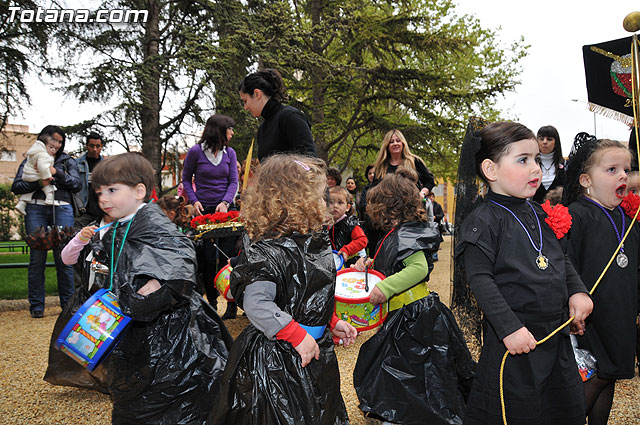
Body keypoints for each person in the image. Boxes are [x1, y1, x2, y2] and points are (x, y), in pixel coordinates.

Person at [455, 122, 592, 425]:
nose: (535, 168)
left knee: (561, 408)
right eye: (523, 160)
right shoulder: (484, 221)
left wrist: (577, 291)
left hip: (554, 339)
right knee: (517, 411)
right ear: (491, 169)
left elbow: (560, 258)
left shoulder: (540, 212)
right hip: (516, 342)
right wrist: (508, 328)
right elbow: (480, 279)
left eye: (535, 159)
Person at [209, 154, 357, 425]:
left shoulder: (311, 243)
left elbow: (309, 295)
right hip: (279, 360)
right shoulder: (268, 250)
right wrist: (297, 335)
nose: (323, 202)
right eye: (317, 194)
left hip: (312, 351)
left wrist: (331, 322)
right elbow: (257, 303)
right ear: (294, 198)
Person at [89, 152, 232, 424]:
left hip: (170, 334)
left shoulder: (151, 221)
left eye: (112, 190)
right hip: (136, 329)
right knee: (137, 396)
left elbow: (180, 254)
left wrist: (155, 283)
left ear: (139, 191)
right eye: (99, 193)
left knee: (168, 395)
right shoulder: (120, 225)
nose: (103, 199)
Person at [352, 171, 474, 425]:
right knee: (398, 367)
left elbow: (417, 268)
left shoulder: (406, 234)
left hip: (415, 317)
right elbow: (395, 261)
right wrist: (370, 263)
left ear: (391, 207)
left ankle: (412, 413)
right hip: (403, 315)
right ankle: (399, 410)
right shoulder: (399, 233)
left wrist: (386, 288)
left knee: (415, 369)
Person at [562, 135, 640, 425]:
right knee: (595, 375)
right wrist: (571, 300)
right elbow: (566, 263)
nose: (622, 175)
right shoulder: (577, 216)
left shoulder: (629, 219)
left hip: (621, 314)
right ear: (585, 180)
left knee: (610, 378)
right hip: (591, 317)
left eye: (626, 169)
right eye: (611, 169)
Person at [11, 125, 81, 318]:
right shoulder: (31, 158)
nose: (56, 145)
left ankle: (67, 306)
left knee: (64, 258)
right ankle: (36, 307)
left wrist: (56, 172)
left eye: (60, 141)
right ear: (44, 140)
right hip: (36, 208)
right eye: (53, 140)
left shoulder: (67, 161)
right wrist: (39, 183)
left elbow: (77, 184)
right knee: (37, 259)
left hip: (62, 208)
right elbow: (16, 186)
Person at [181, 114, 239, 310]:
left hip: (225, 211)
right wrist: (194, 200)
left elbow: (233, 182)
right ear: (220, 130)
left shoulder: (230, 153)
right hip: (203, 212)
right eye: (230, 128)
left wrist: (225, 202)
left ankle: (232, 302)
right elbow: (186, 179)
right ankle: (212, 303)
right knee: (207, 258)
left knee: (228, 257)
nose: (232, 132)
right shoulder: (195, 152)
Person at [360, 129, 435, 252]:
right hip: (387, 215)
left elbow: (430, 181)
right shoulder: (381, 166)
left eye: (398, 141)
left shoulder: (414, 161)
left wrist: (422, 193)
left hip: (410, 212)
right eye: (391, 142)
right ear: (387, 145)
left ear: (403, 143)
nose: (395, 144)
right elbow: (374, 189)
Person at [238, 68, 317, 160]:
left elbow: (310, 159)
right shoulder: (262, 129)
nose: (245, 107)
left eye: (245, 101)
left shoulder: (290, 117)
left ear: (257, 94)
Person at [14, 133, 59, 215]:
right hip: (35, 175)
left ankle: (21, 203)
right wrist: (48, 177)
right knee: (48, 186)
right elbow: (43, 167)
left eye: (54, 148)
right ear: (44, 146)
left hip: (27, 175)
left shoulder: (33, 153)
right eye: (51, 147)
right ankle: (49, 198)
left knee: (30, 190)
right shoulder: (43, 155)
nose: (53, 150)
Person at [328, 186, 367, 266]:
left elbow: (362, 240)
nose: (335, 206)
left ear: (348, 207)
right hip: (335, 263)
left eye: (340, 202)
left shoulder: (350, 223)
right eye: (331, 202)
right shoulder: (327, 224)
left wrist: (347, 249)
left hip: (351, 264)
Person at [75, 131, 105, 225]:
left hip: (103, 212)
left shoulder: (107, 166)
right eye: (92, 146)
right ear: (87, 146)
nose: (95, 149)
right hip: (83, 212)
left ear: (101, 147)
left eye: (98, 146)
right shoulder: (76, 164)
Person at [532, 125, 566, 203]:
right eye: (541, 139)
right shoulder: (529, 164)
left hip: (560, 212)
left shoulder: (566, 165)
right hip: (534, 211)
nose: (545, 142)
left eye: (549, 139)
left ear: (556, 143)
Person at [428, 192, 445, 261]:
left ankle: (434, 255)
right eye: (429, 197)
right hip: (428, 225)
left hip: (436, 225)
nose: (431, 198)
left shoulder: (437, 206)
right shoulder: (425, 204)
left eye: (432, 197)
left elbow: (442, 214)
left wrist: (436, 217)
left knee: (435, 240)